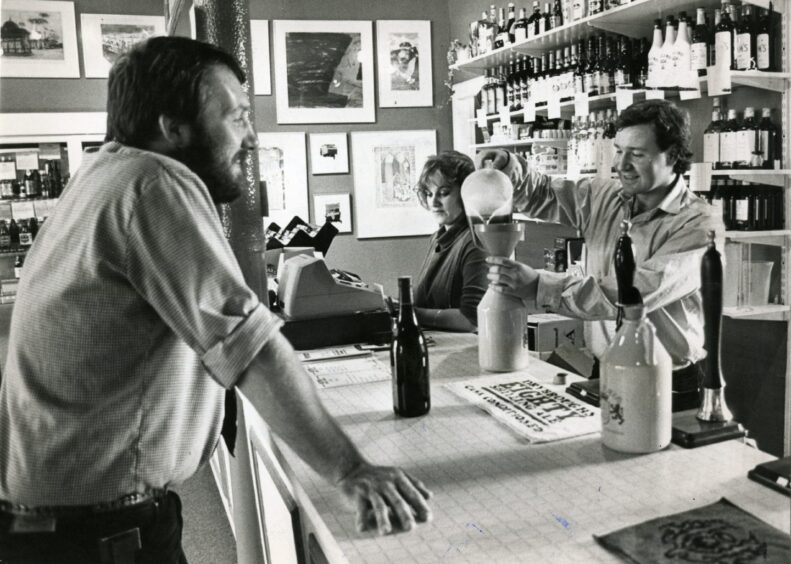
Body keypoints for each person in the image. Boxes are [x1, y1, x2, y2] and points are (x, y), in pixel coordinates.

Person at [0, 36, 431, 564]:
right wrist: (351, 469)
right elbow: (248, 348)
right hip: (98, 534)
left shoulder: (101, 175)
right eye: (238, 117)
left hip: (55, 524)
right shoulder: (154, 183)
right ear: (173, 128)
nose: (250, 137)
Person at [482, 99, 724, 407]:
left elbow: (632, 293)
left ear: (673, 155)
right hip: (605, 369)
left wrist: (540, 286)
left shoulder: (699, 224)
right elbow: (541, 193)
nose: (621, 164)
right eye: (619, 150)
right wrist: (508, 165)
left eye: (636, 154)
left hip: (667, 379)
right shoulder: (604, 196)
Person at [413, 150, 488, 332]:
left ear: (466, 195)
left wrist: (410, 313)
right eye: (429, 194)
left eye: (444, 193)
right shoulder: (437, 238)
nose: (434, 202)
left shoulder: (476, 243)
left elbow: (471, 320)